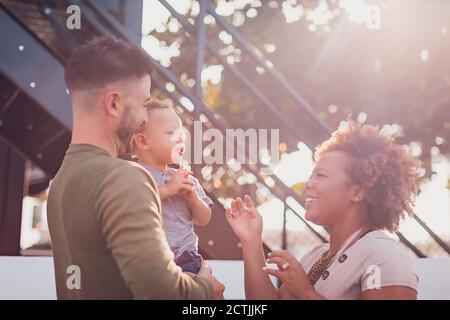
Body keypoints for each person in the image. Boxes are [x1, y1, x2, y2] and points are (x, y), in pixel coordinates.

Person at [47, 37, 224, 299]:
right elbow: (164, 294)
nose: (144, 116)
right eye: (144, 103)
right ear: (114, 103)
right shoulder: (125, 177)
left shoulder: (61, 181)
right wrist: (207, 288)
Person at [226, 119, 420, 300]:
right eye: (311, 176)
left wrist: (306, 293)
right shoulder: (315, 256)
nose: (308, 184)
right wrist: (251, 241)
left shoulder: (384, 254)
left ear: (357, 192)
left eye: (321, 175)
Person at [127, 99, 213, 274]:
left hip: (186, 258)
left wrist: (194, 200)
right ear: (143, 142)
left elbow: (204, 219)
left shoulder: (185, 177)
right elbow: (135, 203)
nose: (180, 137)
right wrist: (167, 190)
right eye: (171, 132)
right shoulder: (133, 175)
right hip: (149, 260)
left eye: (181, 132)